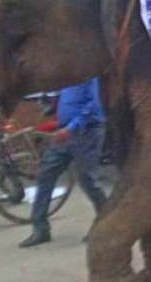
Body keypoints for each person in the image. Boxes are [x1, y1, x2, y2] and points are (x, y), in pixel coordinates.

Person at [19, 78, 110, 247]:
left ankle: (105, 224)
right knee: (46, 175)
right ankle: (40, 228)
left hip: (86, 132)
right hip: (64, 131)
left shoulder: (90, 75)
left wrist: (72, 127)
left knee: (87, 179)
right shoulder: (69, 76)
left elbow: (94, 105)